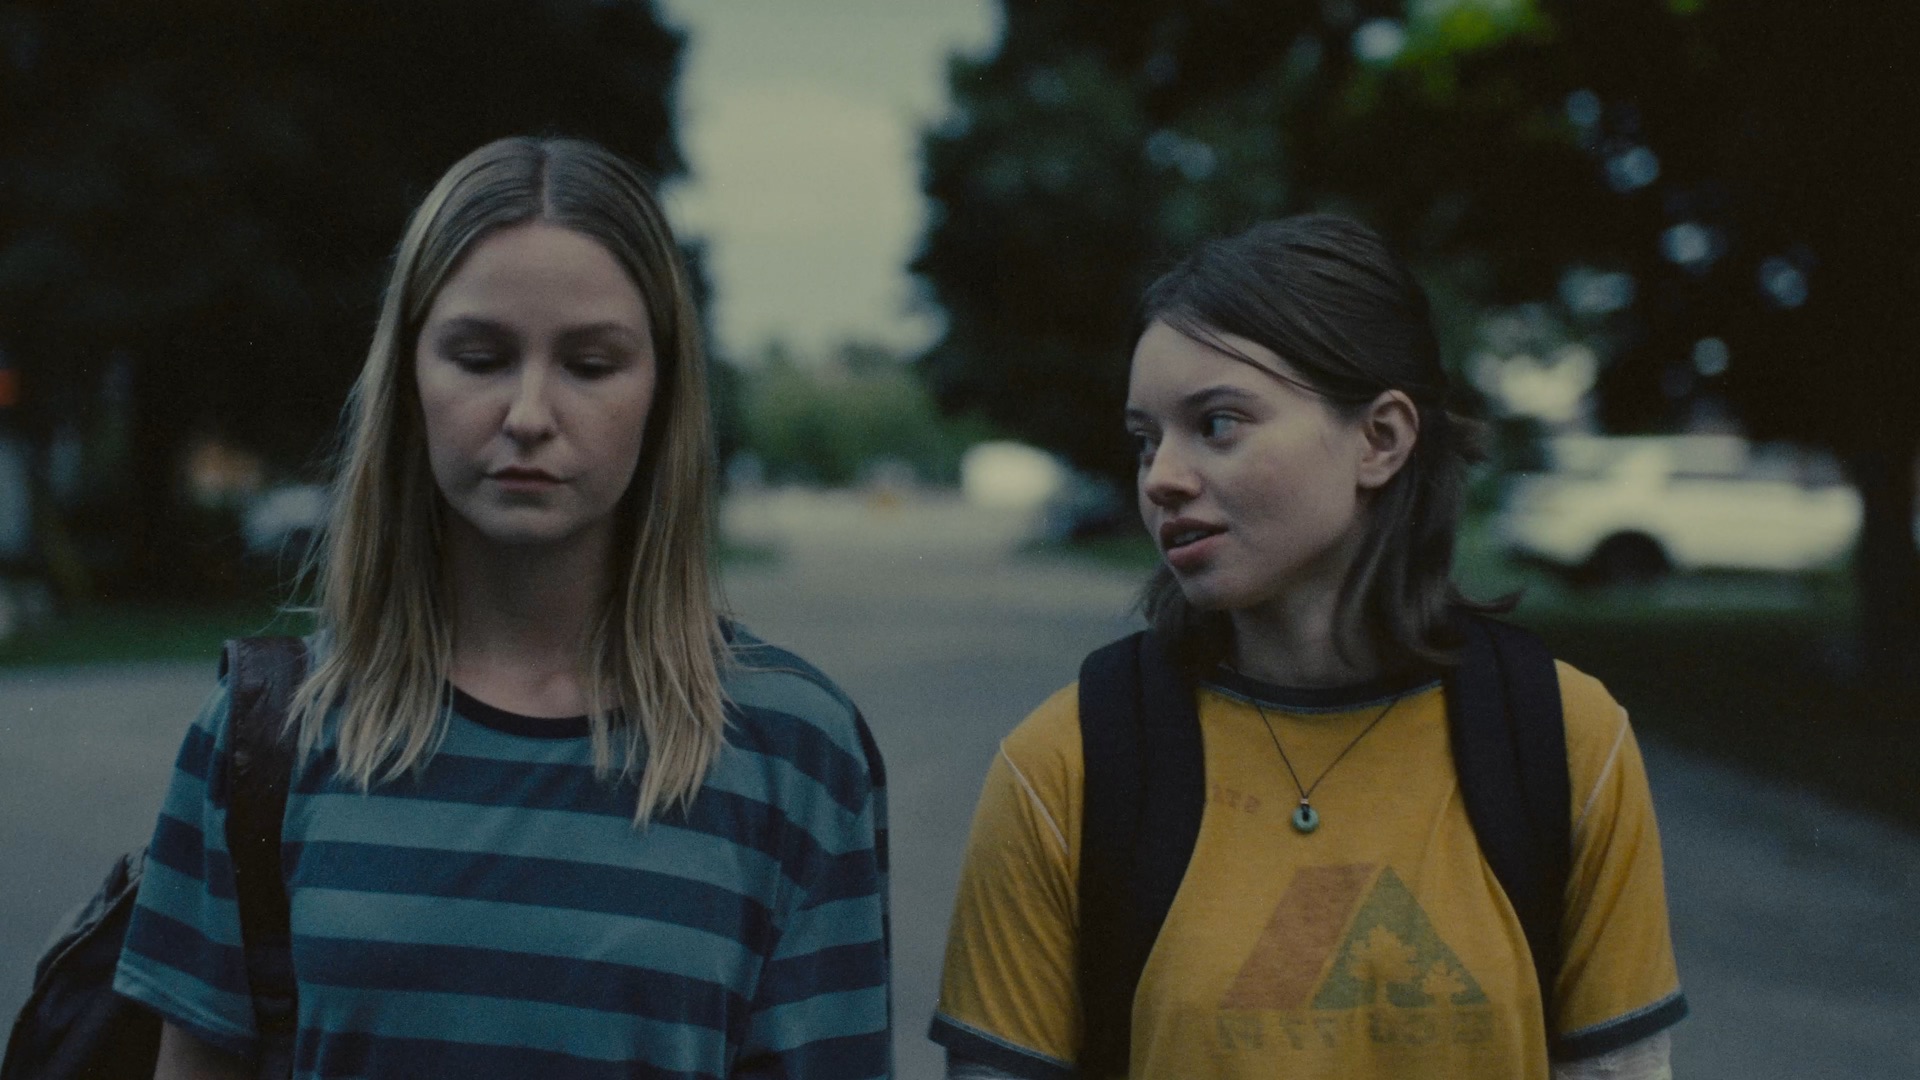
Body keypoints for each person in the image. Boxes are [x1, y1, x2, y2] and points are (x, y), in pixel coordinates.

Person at [114, 136, 891, 1079]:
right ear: (410, 379)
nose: (528, 411)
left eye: (592, 363)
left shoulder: (795, 751)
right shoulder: (267, 733)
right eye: (479, 357)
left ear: (664, 390)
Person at [930, 215, 1685, 1079]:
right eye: (1146, 439)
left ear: (1382, 440)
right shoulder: (1068, 766)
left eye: (1216, 423)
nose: (1160, 478)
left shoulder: (1562, 738)